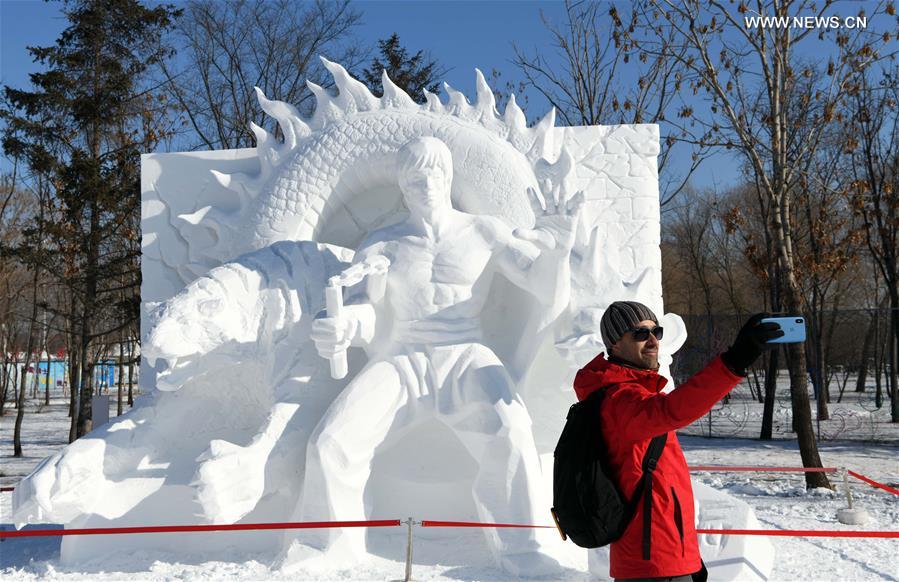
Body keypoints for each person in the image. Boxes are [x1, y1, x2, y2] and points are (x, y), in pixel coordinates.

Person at [284, 136, 583, 575]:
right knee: (331, 441)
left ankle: (522, 549)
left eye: (434, 173)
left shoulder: (485, 230)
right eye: (414, 176)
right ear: (403, 185)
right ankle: (331, 547)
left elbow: (543, 290)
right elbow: (368, 311)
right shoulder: (382, 242)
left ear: (448, 177)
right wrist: (346, 326)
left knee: (512, 429)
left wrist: (557, 255)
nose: (426, 183)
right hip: (401, 357)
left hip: (465, 354)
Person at [573, 301, 782, 582]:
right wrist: (737, 359)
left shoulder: (634, 394)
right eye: (639, 333)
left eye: (655, 332)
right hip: (651, 564)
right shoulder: (619, 401)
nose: (651, 340)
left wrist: (688, 557)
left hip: (668, 557)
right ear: (614, 344)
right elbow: (675, 409)